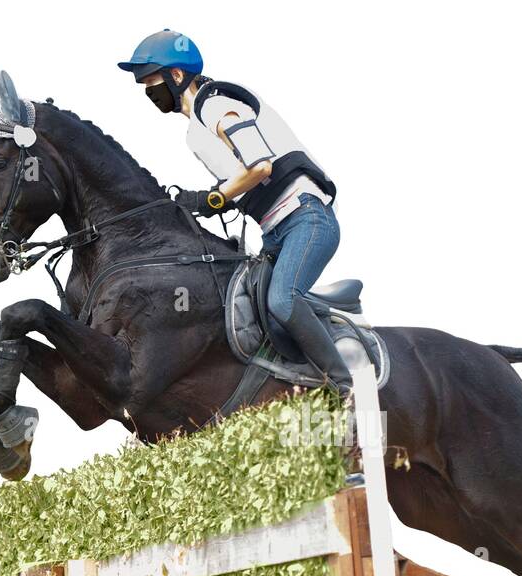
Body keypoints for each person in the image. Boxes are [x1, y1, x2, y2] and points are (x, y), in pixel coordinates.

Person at [118, 29, 352, 393]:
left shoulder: (214, 105)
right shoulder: (195, 128)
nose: (150, 93)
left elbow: (260, 166)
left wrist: (210, 199)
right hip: (276, 231)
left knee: (281, 300)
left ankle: (344, 385)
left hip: (307, 218)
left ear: (176, 76)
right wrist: (207, 201)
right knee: (250, 308)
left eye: (152, 83)